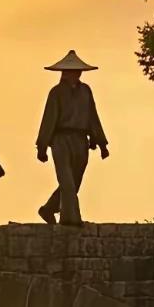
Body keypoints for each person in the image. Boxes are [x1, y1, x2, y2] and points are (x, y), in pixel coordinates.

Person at [36, 49, 109, 225]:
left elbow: (93, 116)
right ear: (65, 73)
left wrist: (101, 143)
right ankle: (70, 219)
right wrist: (42, 146)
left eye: (77, 71)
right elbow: (49, 119)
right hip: (61, 140)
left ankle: (48, 209)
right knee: (66, 180)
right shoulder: (56, 93)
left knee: (74, 182)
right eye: (72, 71)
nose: (76, 74)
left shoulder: (86, 91)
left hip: (81, 141)